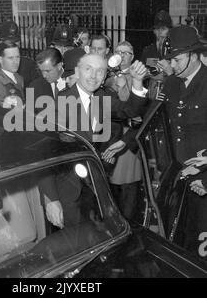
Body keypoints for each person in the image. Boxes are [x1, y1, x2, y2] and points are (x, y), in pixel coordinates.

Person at [41, 53, 148, 229]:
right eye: (88, 69)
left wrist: (137, 83)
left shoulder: (103, 98)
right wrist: (51, 199)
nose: (93, 76)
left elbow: (131, 110)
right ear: (77, 71)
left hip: (97, 191)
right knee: (73, 245)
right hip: (67, 194)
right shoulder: (59, 103)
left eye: (100, 71)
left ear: (105, 76)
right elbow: (44, 153)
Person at [159, 25, 207, 257]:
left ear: (194, 55)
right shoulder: (171, 84)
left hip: (202, 180)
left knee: (200, 245)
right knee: (176, 239)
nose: (173, 66)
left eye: (177, 60)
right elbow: (157, 119)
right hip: (178, 176)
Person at [102, 41, 144, 220]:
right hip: (110, 134)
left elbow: (136, 109)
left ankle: (129, 222)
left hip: (129, 134)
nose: (122, 55)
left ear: (132, 57)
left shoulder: (141, 76)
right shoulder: (107, 76)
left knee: (128, 186)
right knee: (110, 186)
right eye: (119, 52)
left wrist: (124, 84)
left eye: (126, 53)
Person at [141, 10, 173, 99]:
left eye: (163, 29)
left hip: (170, 93)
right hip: (152, 93)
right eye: (157, 29)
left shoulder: (174, 51)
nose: (160, 32)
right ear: (154, 31)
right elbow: (141, 73)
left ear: (169, 31)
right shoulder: (148, 51)